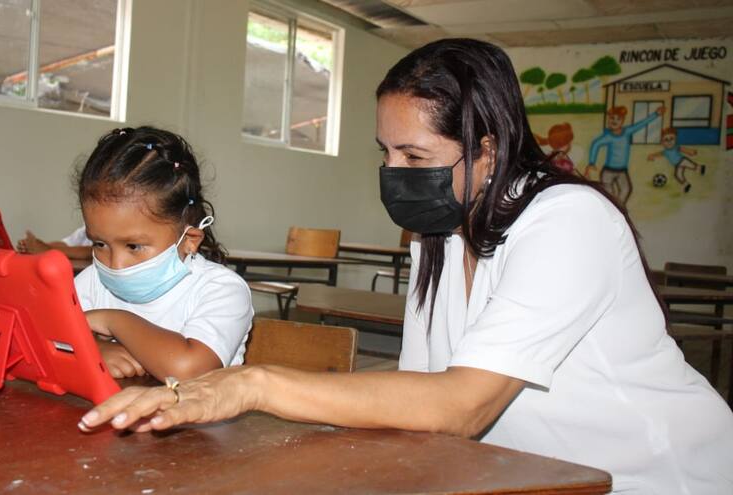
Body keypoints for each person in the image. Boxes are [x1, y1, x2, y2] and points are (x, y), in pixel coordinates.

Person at [78, 40, 733, 493]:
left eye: (414, 157)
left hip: (649, 477)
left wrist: (254, 384)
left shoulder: (568, 220)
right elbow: (420, 389)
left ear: (487, 148)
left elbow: (460, 405)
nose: (393, 174)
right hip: (530, 473)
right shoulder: (438, 234)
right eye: (385, 153)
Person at [73, 126, 253, 381]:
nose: (116, 265)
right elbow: (43, 338)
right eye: (100, 244)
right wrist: (94, 348)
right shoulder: (92, 281)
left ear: (189, 240)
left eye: (133, 246)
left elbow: (189, 370)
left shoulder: (222, 290)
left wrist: (114, 321)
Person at [587, 105, 664, 205]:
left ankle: (618, 208)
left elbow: (641, 124)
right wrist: (592, 162)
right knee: (609, 194)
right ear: (608, 119)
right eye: (612, 118)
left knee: (626, 189)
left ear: (623, 121)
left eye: (618, 119)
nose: (614, 121)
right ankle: (612, 208)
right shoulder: (608, 136)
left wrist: (656, 114)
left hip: (622, 171)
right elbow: (595, 144)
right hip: (608, 171)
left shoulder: (627, 131)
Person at [647, 127, 706, 193]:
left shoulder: (676, 147)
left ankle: (700, 168)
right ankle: (686, 184)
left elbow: (684, 149)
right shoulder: (665, 152)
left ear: (676, 139)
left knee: (691, 165)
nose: (669, 141)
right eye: (666, 140)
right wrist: (652, 155)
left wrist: (691, 151)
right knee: (677, 175)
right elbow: (658, 154)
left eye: (672, 139)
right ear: (662, 142)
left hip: (682, 160)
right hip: (677, 165)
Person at [16, 226, 92, 260]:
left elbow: (92, 251)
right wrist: (33, 246)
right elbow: (66, 244)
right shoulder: (85, 228)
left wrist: (45, 249)